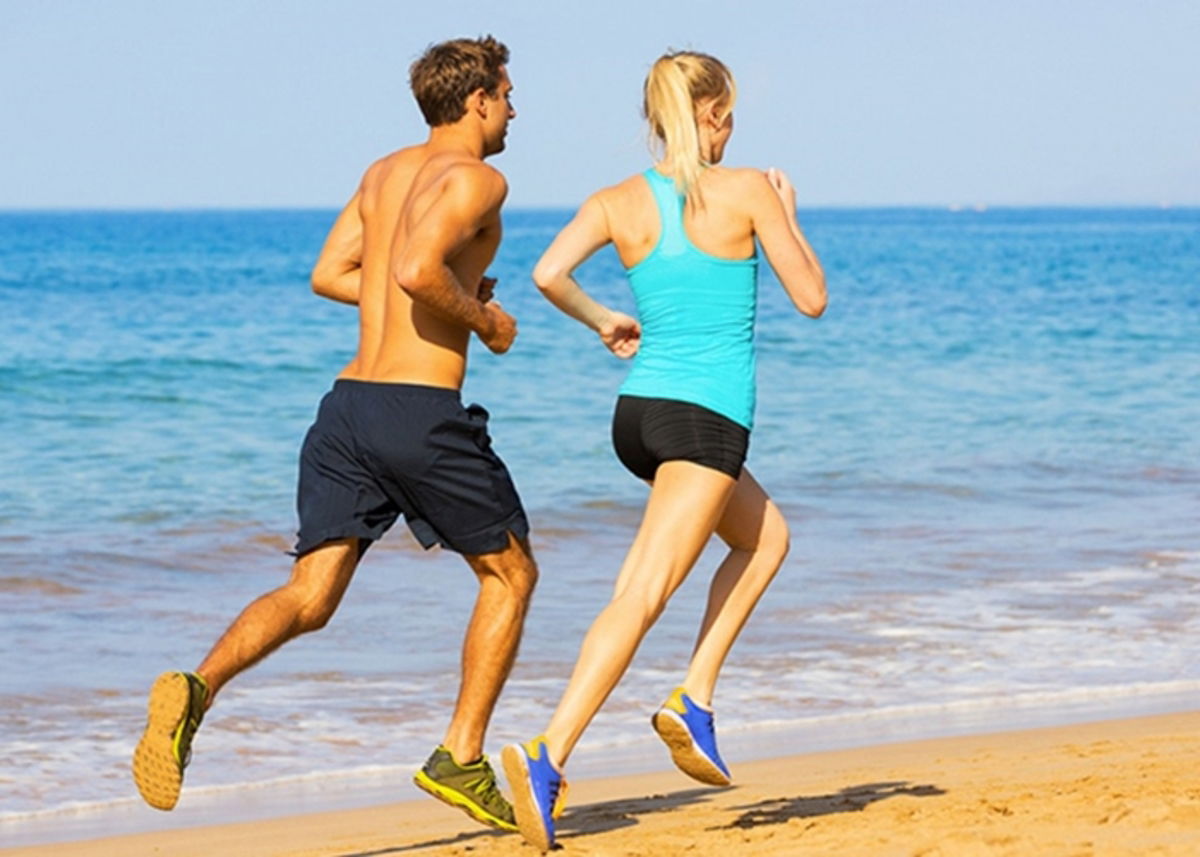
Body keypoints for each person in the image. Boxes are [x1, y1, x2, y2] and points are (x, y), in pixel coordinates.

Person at [132, 35, 537, 832]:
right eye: (507, 93)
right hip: (419, 412)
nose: (514, 108)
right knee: (511, 573)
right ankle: (460, 754)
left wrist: (449, 286)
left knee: (311, 594)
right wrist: (485, 317)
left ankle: (197, 688)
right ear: (478, 98)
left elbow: (333, 274)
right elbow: (417, 270)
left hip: (347, 408)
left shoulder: (382, 173)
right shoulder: (481, 179)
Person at [501, 50, 827, 850]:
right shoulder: (748, 189)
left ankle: (697, 696)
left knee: (767, 537)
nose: (731, 130)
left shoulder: (618, 200)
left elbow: (547, 272)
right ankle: (548, 755)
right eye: (729, 116)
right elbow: (812, 297)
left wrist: (604, 317)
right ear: (712, 114)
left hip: (641, 416)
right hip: (704, 421)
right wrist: (789, 210)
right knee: (641, 594)